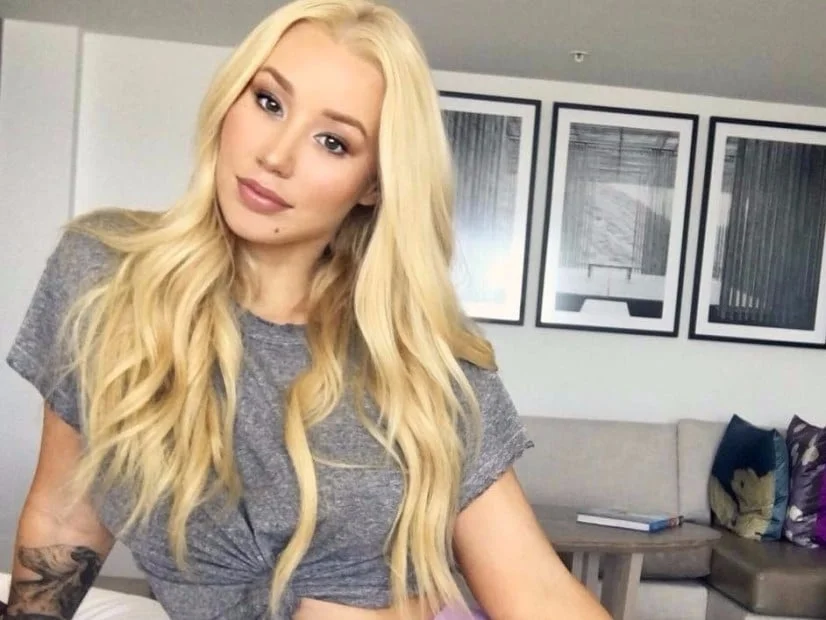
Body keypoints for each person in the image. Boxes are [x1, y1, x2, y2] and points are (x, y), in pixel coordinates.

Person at [2, 1, 611, 619]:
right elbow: (65, 513)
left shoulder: (423, 362)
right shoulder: (103, 275)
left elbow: (533, 588)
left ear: (374, 184)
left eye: (333, 142)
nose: (276, 155)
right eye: (269, 102)